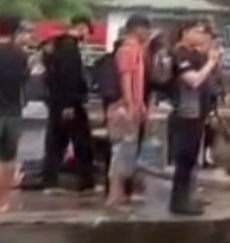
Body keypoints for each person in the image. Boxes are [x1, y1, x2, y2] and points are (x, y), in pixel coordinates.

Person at [169, 21, 222, 216]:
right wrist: (209, 62)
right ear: (185, 32)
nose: (202, 35)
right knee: (184, 159)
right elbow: (193, 80)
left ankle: (187, 197)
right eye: (198, 32)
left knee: (192, 159)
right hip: (186, 112)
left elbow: (211, 76)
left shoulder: (196, 55)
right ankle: (178, 201)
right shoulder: (179, 53)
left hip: (199, 113)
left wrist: (212, 56)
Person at [40, 15, 95, 192]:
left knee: (56, 141)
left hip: (57, 101)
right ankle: (86, 182)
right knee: (81, 142)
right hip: (70, 102)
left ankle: (50, 181)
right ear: (81, 27)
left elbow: (51, 76)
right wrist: (69, 104)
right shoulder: (70, 47)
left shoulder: (55, 46)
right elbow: (68, 76)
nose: (87, 36)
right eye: (87, 31)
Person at [106, 14, 151, 209]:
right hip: (124, 108)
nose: (148, 34)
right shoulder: (128, 50)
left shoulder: (137, 50)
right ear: (137, 29)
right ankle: (114, 194)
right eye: (146, 29)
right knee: (121, 151)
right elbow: (126, 78)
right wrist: (131, 103)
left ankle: (120, 192)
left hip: (132, 105)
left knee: (127, 152)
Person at [0, 15, 29, 212]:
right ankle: (3, 201)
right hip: (13, 111)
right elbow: (24, 80)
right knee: (8, 159)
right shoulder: (20, 55)